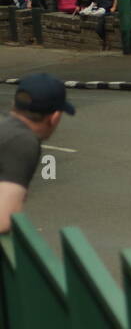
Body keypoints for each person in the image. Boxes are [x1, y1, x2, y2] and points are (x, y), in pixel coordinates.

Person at [1, 72, 74, 234]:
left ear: (14, 104)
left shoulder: (6, 129)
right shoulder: (23, 142)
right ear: (55, 117)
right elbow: (4, 220)